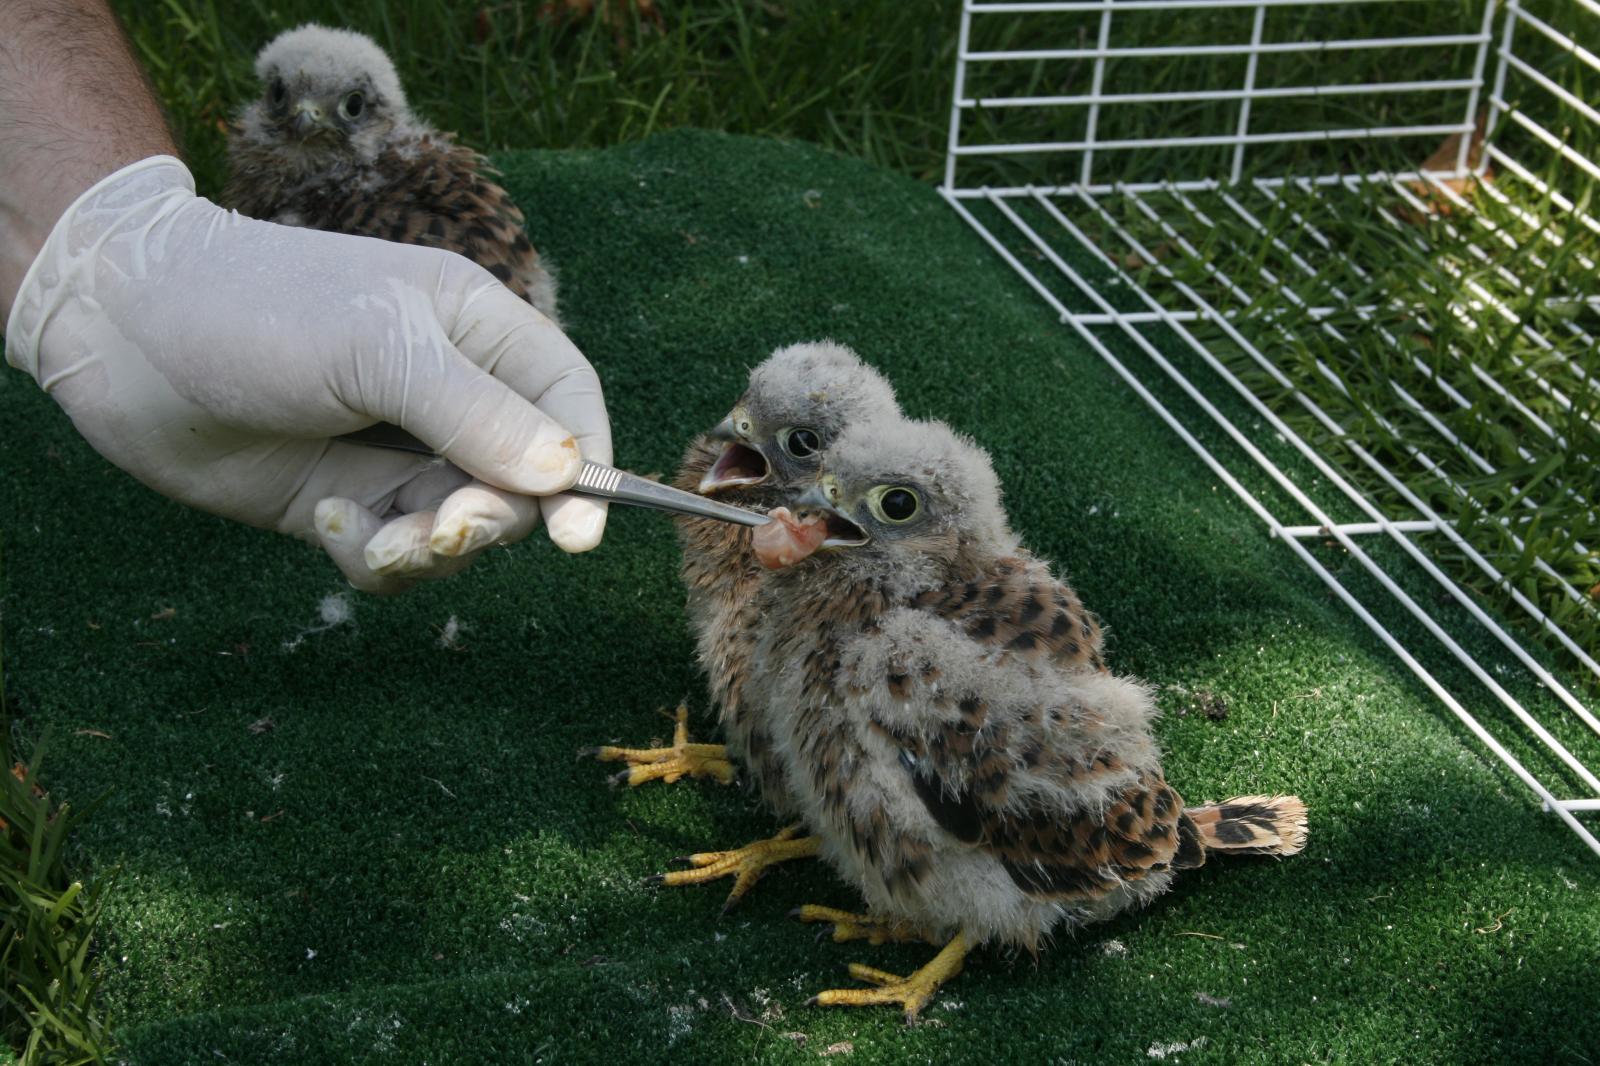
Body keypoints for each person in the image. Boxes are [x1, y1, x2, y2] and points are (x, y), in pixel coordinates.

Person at [0, 1, 611, 594]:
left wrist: (104, 237)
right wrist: (103, 251)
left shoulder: (370, 205)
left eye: (346, 108)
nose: (308, 119)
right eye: (281, 100)